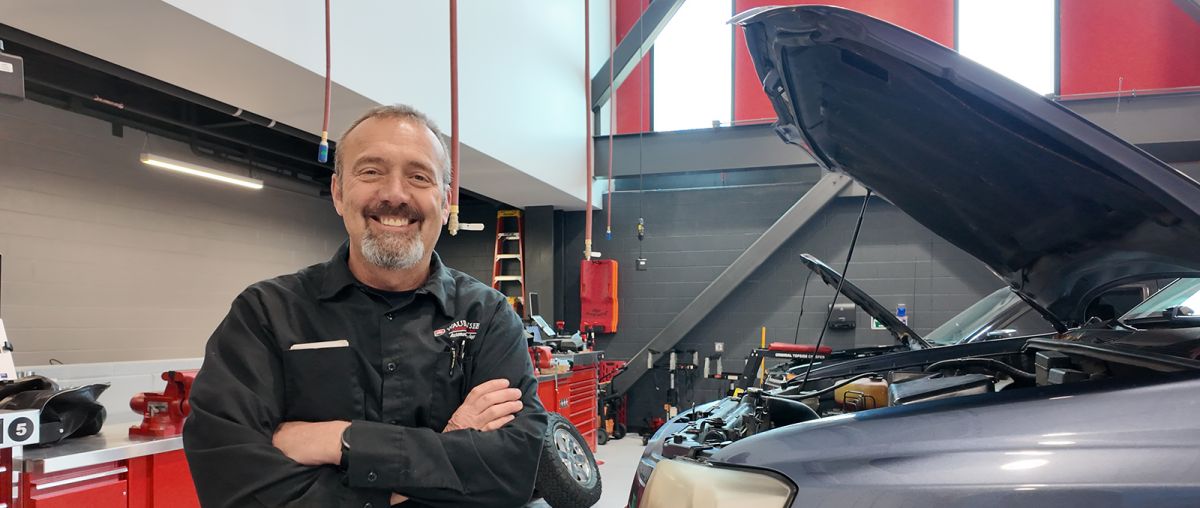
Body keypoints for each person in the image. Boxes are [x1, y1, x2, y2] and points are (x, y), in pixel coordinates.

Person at [183, 104, 548, 508]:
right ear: (339, 193)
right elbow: (231, 481)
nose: (395, 194)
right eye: (371, 171)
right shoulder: (265, 315)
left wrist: (341, 439)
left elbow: (514, 469)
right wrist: (441, 456)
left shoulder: (489, 317)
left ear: (445, 203)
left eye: (418, 176)